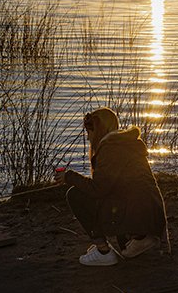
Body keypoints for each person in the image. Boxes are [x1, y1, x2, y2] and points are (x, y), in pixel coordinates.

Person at [55, 108, 167, 266]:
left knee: (75, 195)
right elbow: (112, 185)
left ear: (98, 130)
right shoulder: (126, 144)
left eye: (89, 132)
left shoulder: (110, 148)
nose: (88, 138)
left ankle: (104, 251)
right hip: (148, 214)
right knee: (125, 250)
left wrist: (69, 177)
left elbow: (98, 189)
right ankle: (139, 237)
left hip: (135, 211)